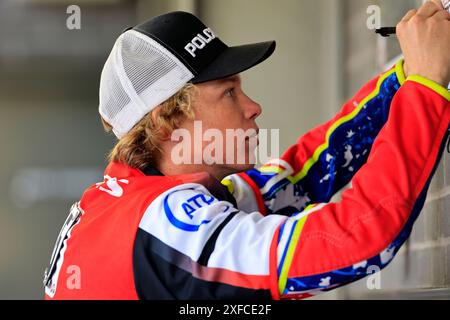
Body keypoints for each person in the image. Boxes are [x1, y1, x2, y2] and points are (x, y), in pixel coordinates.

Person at [44, 1, 450, 300]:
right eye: (229, 92)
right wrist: (427, 86)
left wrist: (409, 73)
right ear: (167, 122)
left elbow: (299, 178)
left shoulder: (125, 204)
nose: (254, 107)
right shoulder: (165, 228)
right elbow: (356, 241)